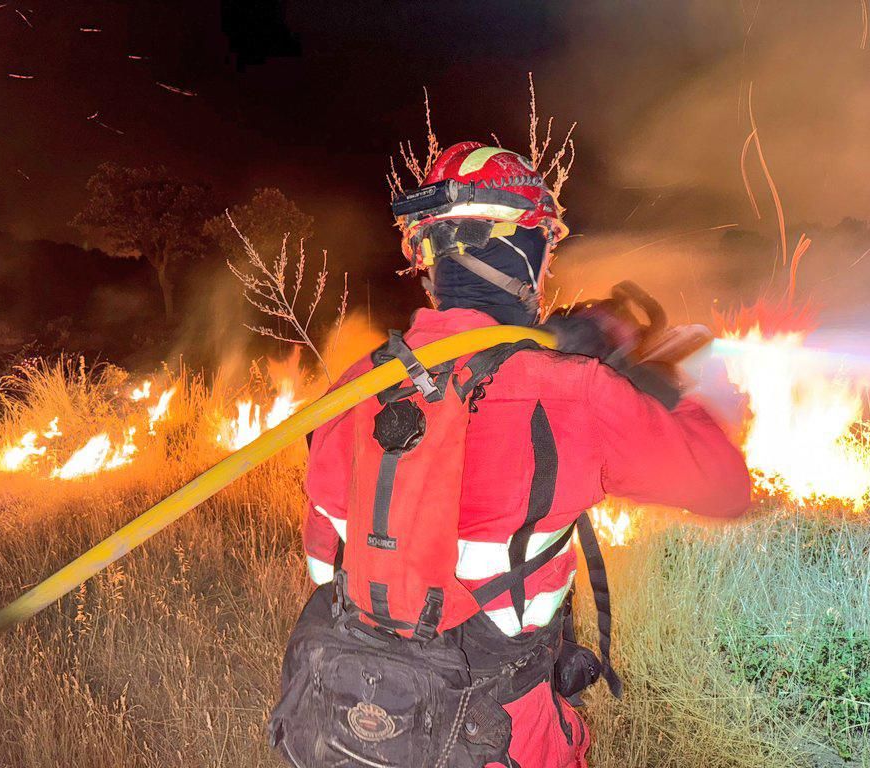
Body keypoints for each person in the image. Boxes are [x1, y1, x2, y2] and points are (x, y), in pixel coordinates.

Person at [272, 142, 751, 768]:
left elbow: (325, 560)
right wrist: (668, 390)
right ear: (526, 248)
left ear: (425, 254)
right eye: (545, 248)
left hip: (355, 713)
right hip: (501, 729)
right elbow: (724, 487)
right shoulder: (576, 392)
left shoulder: (355, 386)